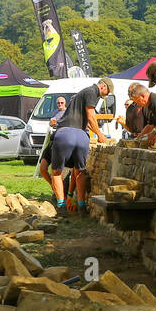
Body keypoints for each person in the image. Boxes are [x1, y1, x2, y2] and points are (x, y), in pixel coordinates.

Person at [49, 76, 113, 212]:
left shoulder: (86, 92)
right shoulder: (92, 92)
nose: (102, 97)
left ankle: (61, 206)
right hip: (81, 136)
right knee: (80, 171)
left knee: (56, 172)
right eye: (104, 94)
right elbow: (90, 117)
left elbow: (89, 117)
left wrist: (100, 135)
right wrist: (101, 136)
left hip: (65, 133)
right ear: (103, 86)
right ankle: (82, 206)